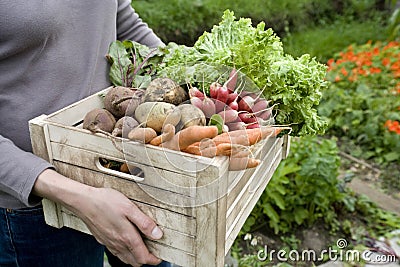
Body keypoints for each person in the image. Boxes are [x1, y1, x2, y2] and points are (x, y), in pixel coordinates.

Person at [0, 1, 171, 266]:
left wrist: (189, 74)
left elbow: (120, 17)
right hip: (37, 210)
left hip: (123, 164)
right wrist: (78, 197)